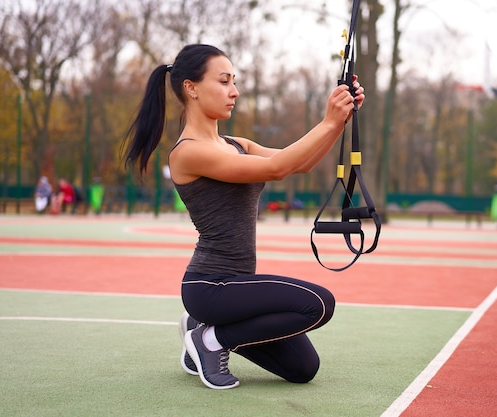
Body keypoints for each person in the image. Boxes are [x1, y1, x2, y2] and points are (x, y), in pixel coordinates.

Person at [123, 44, 365, 390]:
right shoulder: (189, 153)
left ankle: (201, 331)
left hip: (238, 286)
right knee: (319, 304)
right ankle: (211, 341)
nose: (234, 91)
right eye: (223, 81)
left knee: (303, 368)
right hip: (209, 286)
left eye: (233, 81)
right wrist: (328, 119)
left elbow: (301, 163)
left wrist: (340, 119)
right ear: (190, 88)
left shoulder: (237, 144)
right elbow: (277, 169)